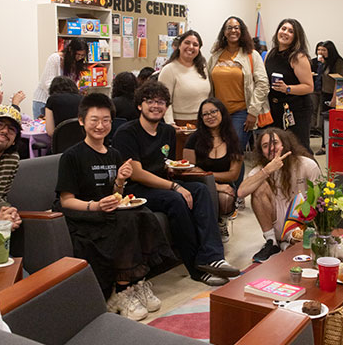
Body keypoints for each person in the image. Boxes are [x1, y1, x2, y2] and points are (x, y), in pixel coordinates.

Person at [54, 93, 176, 320]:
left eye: (106, 120)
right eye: (94, 120)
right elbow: (66, 201)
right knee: (126, 221)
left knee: (142, 214)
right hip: (83, 215)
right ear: (81, 121)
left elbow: (116, 196)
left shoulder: (114, 154)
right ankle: (121, 291)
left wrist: (120, 181)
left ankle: (136, 281)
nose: (100, 126)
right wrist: (95, 206)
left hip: (107, 212)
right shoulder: (72, 156)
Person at [112, 81, 240, 286]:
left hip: (163, 184)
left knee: (201, 189)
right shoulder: (127, 132)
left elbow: (166, 164)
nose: (156, 106)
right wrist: (175, 186)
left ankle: (212, 257)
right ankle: (196, 269)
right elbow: (136, 173)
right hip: (136, 190)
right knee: (176, 199)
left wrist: (174, 172)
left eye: (161, 102)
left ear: (166, 106)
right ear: (139, 105)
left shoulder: (168, 132)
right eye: (150, 101)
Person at [238, 128, 321, 263]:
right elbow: (241, 192)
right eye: (265, 146)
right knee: (258, 186)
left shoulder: (307, 165)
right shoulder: (260, 170)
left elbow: (319, 200)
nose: (271, 148)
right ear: (261, 151)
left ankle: (284, 245)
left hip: (301, 224)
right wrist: (267, 171)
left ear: (285, 144)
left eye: (275, 143)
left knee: (303, 252)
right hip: (275, 223)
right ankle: (272, 241)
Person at [183, 98, 243, 243]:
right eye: (205, 114)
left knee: (225, 198)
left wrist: (206, 175)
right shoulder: (194, 138)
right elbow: (188, 170)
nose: (210, 116)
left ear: (222, 113)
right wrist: (214, 185)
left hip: (225, 184)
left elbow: (233, 174)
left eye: (213, 112)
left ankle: (221, 222)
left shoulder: (233, 140)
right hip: (198, 183)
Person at [209, 16, 270, 152]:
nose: (233, 31)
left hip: (241, 113)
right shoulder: (216, 56)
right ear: (224, 32)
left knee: (234, 151)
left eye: (236, 28)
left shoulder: (251, 55)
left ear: (242, 31)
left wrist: (253, 112)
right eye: (229, 28)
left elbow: (263, 84)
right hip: (218, 113)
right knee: (219, 151)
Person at [264, 19, 314, 152]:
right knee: (279, 148)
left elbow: (309, 86)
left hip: (296, 109)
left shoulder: (298, 57)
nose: (285, 33)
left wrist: (287, 88)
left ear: (296, 37)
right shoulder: (270, 54)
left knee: (298, 148)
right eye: (283, 28)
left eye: (291, 31)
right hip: (275, 108)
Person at [158, 30, 210, 126]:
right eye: (187, 43)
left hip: (203, 121)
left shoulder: (203, 68)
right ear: (179, 45)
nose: (191, 47)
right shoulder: (169, 70)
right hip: (180, 124)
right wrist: (170, 124)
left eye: (195, 45)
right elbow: (163, 100)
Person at [32, 38, 87, 119]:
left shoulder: (76, 63)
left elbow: (73, 85)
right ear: (70, 50)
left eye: (82, 55)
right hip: (44, 101)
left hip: (62, 102)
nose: (79, 58)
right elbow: (47, 84)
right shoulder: (55, 58)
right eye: (77, 54)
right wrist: (63, 97)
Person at [316, 40, 343, 156]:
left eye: (324, 50)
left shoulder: (338, 62)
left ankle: (330, 145)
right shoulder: (326, 62)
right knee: (324, 121)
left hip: (335, 95)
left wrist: (334, 98)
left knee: (332, 121)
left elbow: (339, 82)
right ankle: (324, 145)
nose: (321, 52)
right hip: (325, 93)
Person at [309, 43, 324, 138]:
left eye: (322, 50)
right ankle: (312, 128)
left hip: (323, 89)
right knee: (313, 108)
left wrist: (323, 63)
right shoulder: (312, 61)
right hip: (313, 87)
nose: (320, 52)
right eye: (319, 50)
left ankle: (319, 129)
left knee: (321, 110)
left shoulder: (327, 62)